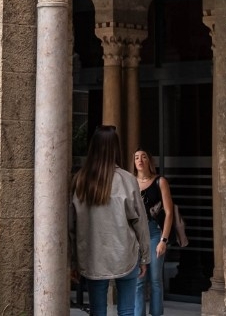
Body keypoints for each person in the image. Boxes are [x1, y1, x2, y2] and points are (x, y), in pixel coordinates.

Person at [70, 126, 149, 316]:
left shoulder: (80, 180)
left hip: (92, 256)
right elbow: (140, 221)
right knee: (127, 311)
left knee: (97, 311)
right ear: (116, 148)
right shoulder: (127, 180)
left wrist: (73, 261)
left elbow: (71, 227)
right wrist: (145, 256)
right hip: (125, 253)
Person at [132, 149, 174, 316]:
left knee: (155, 280)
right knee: (138, 280)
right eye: (136, 157)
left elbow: (169, 212)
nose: (140, 160)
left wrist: (164, 240)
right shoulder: (131, 182)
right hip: (135, 234)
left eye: (143, 156)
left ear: (149, 161)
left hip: (155, 233)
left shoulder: (160, 181)